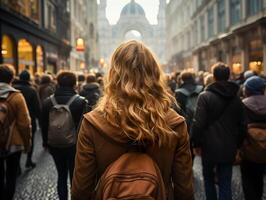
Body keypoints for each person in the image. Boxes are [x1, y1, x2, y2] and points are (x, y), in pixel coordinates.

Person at [71, 41, 194, 200]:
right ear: (155, 74)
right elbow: (184, 189)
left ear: (113, 75)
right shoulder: (175, 124)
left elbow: (81, 190)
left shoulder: (92, 123)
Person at [191, 62, 246, 200]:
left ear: (214, 76)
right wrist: (237, 145)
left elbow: (198, 124)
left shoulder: (204, 97)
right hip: (229, 147)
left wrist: (196, 144)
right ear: (228, 76)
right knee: (225, 182)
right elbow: (243, 125)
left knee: (209, 180)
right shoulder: (236, 98)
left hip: (208, 147)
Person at [41, 71, 88, 200]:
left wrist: (45, 143)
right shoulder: (81, 102)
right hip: (75, 145)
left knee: (61, 175)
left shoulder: (47, 102)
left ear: (58, 82)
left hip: (55, 144)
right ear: (75, 84)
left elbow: (44, 125)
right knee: (74, 176)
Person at [0, 64, 31, 200]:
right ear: (12, 78)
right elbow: (24, 124)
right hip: (13, 142)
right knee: (12, 175)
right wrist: (27, 143)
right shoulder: (17, 97)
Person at [241, 76, 266, 200]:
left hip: (249, 149)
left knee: (248, 180)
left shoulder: (243, 105)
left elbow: (239, 127)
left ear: (248, 90)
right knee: (260, 178)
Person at [13, 70, 41, 168]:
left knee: (16, 140)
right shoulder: (32, 90)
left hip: (13, 121)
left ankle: (17, 165)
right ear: (29, 78)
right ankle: (28, 160)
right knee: (30, 139)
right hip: (29, 119)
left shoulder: (13, 89)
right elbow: (37, 108)